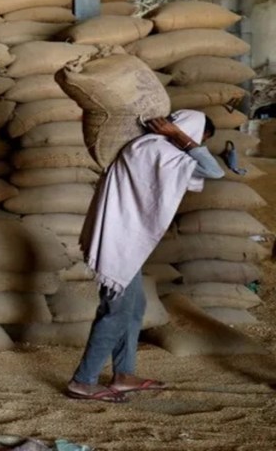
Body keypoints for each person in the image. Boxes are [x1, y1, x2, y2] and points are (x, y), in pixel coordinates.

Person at [66, 110, 224, 403]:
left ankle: (123, 374)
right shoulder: (152, 149)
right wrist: (178, 136)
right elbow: (212, 170)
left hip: (127, 244)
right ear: (188, 130)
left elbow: (207, 169)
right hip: (120, 243)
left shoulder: (160, 153)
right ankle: (82, 381)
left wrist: (179, 139)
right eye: (200, 138)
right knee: (115, 312)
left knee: (134, 306)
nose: (196, 144)